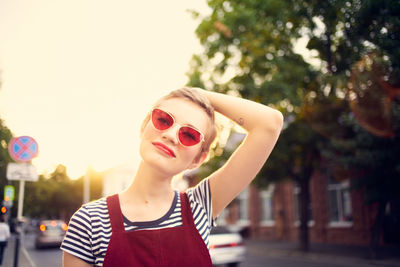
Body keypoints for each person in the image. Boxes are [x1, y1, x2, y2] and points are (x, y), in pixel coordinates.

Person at [61, 87, 283, 267]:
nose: (170, 135)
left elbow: (269, 123)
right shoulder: (89, 220)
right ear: (143, 127)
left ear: (198, 159)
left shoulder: (200, 206)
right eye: (163, 120)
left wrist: (198, 93)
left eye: (189, 134)